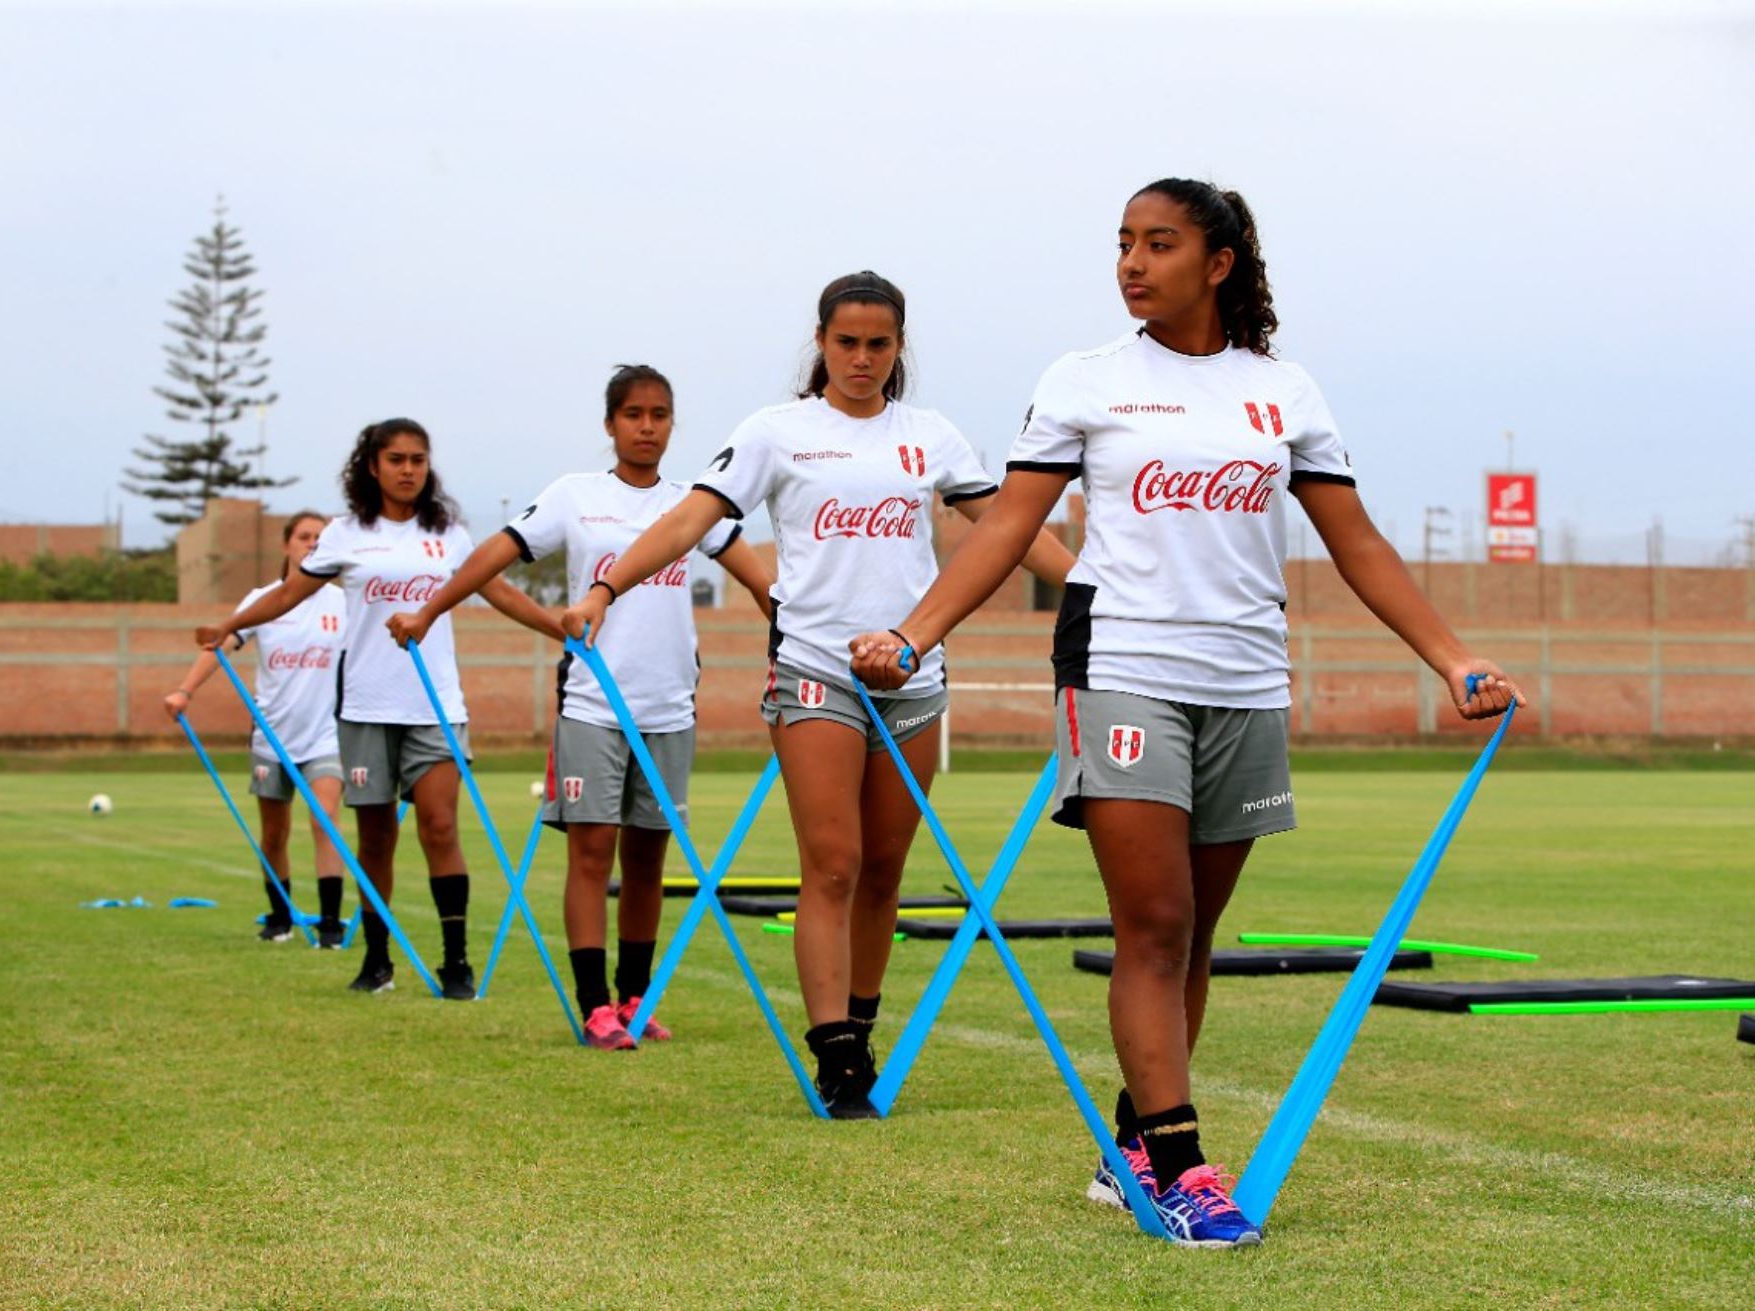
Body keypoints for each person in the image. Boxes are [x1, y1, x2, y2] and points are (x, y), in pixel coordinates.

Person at [848, 180, 1524, 1244]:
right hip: (1122, 669)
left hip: (1248, 684)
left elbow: (1357, 543)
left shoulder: (1285, 391)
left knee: (1193, 934)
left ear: (1217, 263)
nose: (1131, 262)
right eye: (1123, 242)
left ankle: (1130, 1151)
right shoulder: (1086, 381)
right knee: (1152, 927)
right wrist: (915, 633)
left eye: (1159, 244)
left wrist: (1452, 658)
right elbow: (1003, 529)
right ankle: (1182, 1166)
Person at [562, 273, 1075, 1113]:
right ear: (821, 343)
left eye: (879, 344)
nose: (862, 359)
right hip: (813, 672)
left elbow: (1009, 528)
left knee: (882, 871)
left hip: (911, 677)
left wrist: (1096, 586)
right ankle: (836, 1052)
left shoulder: (931, 436)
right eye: (847, 343)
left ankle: (862, 1027)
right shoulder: (778, 432)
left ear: (899, 346)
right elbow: (689, 521)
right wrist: (606, 588)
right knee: (831, 863)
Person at [387, 364, 774, 1050]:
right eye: (633, 414)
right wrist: (426, 612)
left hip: (670, 707)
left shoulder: (695, 503)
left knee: (650, 862)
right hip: (594, 703)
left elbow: (761, 582)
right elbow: (490, 558)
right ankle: (595, 1005)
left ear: (672, 423)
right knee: (593, 853)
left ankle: (636, 997)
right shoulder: (574, 496)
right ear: (610, 424)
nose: (647, 426)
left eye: (659, 414)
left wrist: (797, 626)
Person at [195, 418, 566, 998]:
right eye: (396, 459)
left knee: (441, 826)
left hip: (435, 706)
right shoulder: (344, 534)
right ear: (372, 465)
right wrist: (230, 623)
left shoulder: (450, 536)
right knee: (374, 841)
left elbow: (501, 593)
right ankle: (376, 959)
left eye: (418, 459)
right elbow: (288, 592)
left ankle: (455, 962)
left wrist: (562, 632)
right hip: (365, 709)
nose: (409, 469)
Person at [165, 511, 348, 945]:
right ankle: (280, 916)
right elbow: (220, 646)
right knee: (274, 831)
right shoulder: (262, 600)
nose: (312, 544)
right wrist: (185, 691)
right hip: (271, 738)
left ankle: (329, 924)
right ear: (286, 545)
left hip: (326, 736)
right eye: (304, 537)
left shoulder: (343, 604)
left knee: (325, 821)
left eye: (321, 538)